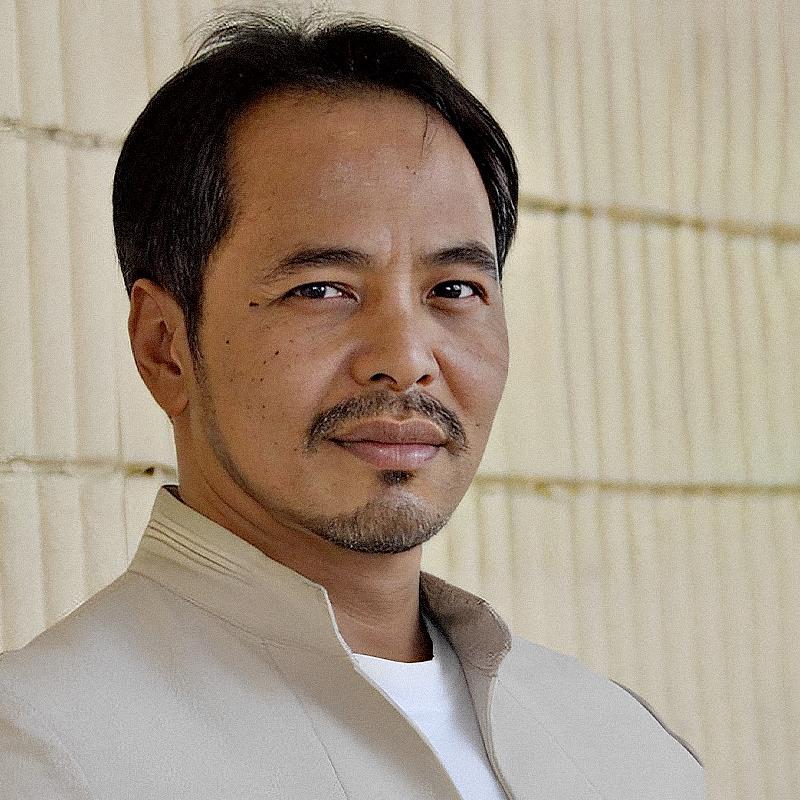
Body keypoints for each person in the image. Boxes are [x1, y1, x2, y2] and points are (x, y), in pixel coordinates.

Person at [0, 10, 704, 799]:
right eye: (322, 289)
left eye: (454, 289)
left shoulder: (620, 747)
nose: (405, 359)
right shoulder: (48, 755)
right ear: (166, 346)